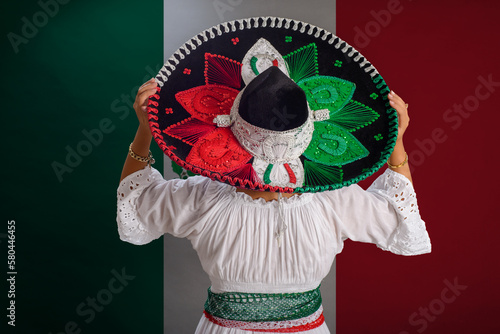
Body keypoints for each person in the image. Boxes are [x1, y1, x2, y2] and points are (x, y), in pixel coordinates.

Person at [117, 18, 431, 333]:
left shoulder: (202, 197)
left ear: (231, 125)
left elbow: (136, 202)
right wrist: (397, 141)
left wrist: (145, 130)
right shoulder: (333, 200)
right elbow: (399, 216)